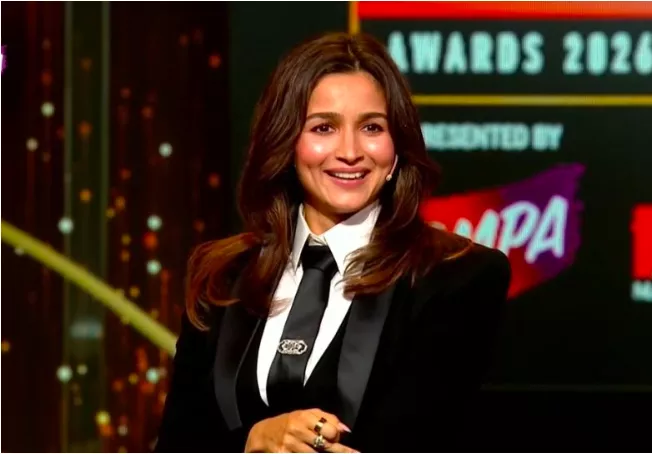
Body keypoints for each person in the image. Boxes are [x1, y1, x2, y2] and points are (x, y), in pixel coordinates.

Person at [154, 31, 511, 453]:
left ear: (396, 150)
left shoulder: (457, 277)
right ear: (287, 142)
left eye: (371, 128)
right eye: (324, 127)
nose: (350, 151)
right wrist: (254, 440)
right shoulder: (223, 276)